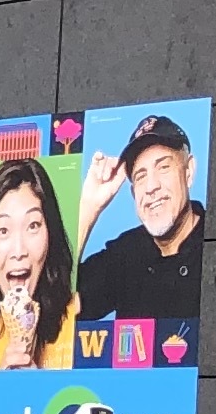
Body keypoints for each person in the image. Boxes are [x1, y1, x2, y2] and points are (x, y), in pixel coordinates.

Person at [70, 114, 206, 330]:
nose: (151, 187)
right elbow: (52, 306)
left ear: (188, 172)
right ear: (133, 193)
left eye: (163, 167)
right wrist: (89, 207)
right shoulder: (127, 253)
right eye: (141, 176)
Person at [0, 159, 77, 371]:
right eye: (3, 230)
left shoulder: (76, 318)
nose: (19, 251)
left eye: (33, 225)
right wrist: (2, 387)